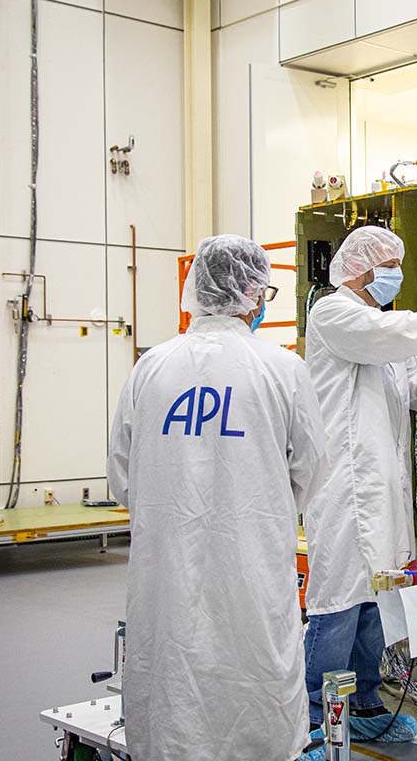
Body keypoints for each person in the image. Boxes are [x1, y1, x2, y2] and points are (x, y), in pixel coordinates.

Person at [107, 235, 326, 761]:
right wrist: (262, 501)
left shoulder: (151, 366)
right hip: (251, 563)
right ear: (253, 293)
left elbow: (121, 474)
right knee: (253, 680)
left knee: (173, 686)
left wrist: (169, 504)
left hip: (166, 566)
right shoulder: (281, 367)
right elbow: (311, 468)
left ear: (196, 288)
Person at [302, 225, 417, 741]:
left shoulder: (381, 325)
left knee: (378, 598)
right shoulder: (333, 314)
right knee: (339, 604)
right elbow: (393, 341)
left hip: (382, 492)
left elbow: (416, 385)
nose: (396, 274)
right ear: (364, 269)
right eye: (391, 264)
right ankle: (314, 715)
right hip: (344, 491)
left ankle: (368, 702)